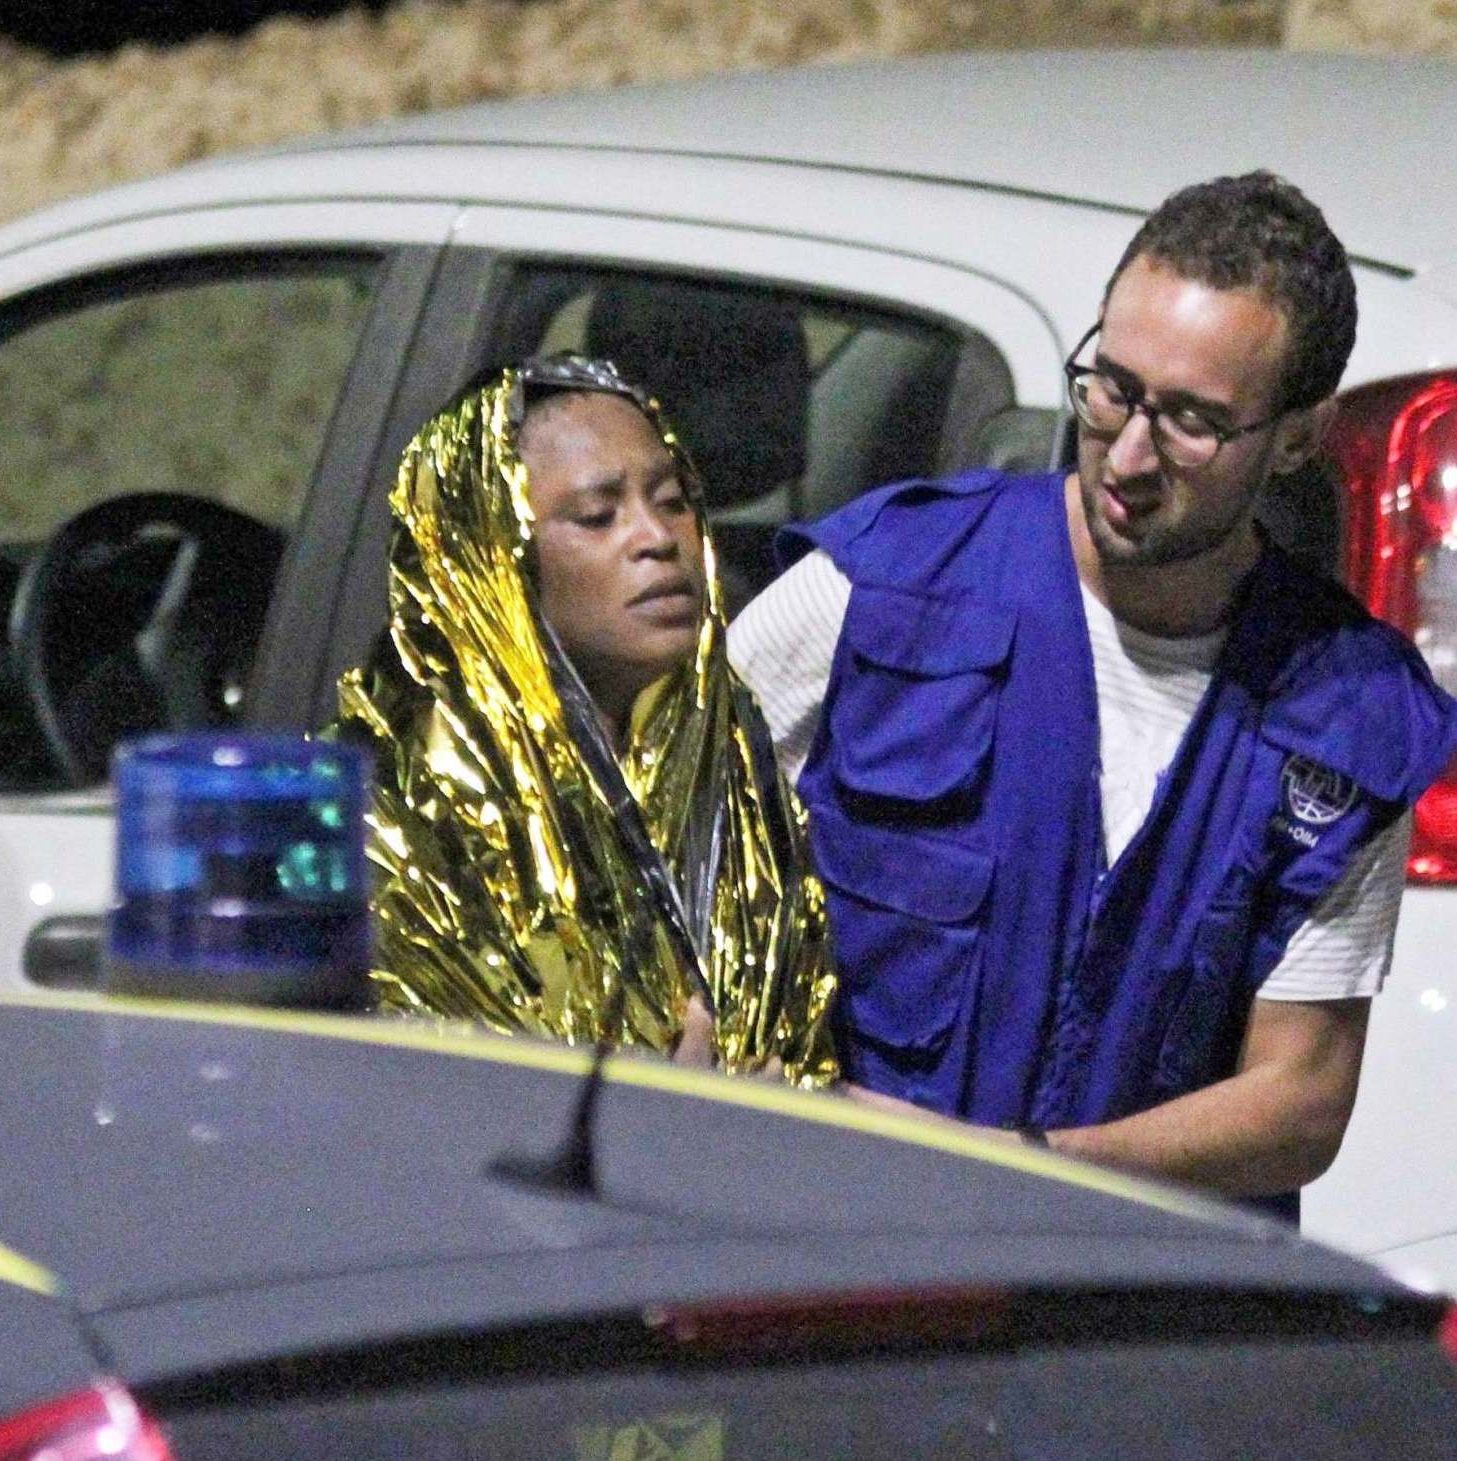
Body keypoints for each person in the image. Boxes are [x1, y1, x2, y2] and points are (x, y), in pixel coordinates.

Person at [728, 172, 1457, 1204]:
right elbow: (659, 876)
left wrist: (1026, 1173)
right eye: (1111, 386)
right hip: (835, 1263)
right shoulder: (874, 592)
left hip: (1119, 1311)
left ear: (1294, 436)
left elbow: (1298, 1099)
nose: (1126, 453)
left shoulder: (1346, 719)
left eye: (1192, 421)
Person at [334, 353, 837, 1084]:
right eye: (598, 516)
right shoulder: (400, 816)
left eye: (672, 501)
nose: (656, 538)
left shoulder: (734, 768)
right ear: (493, 558)